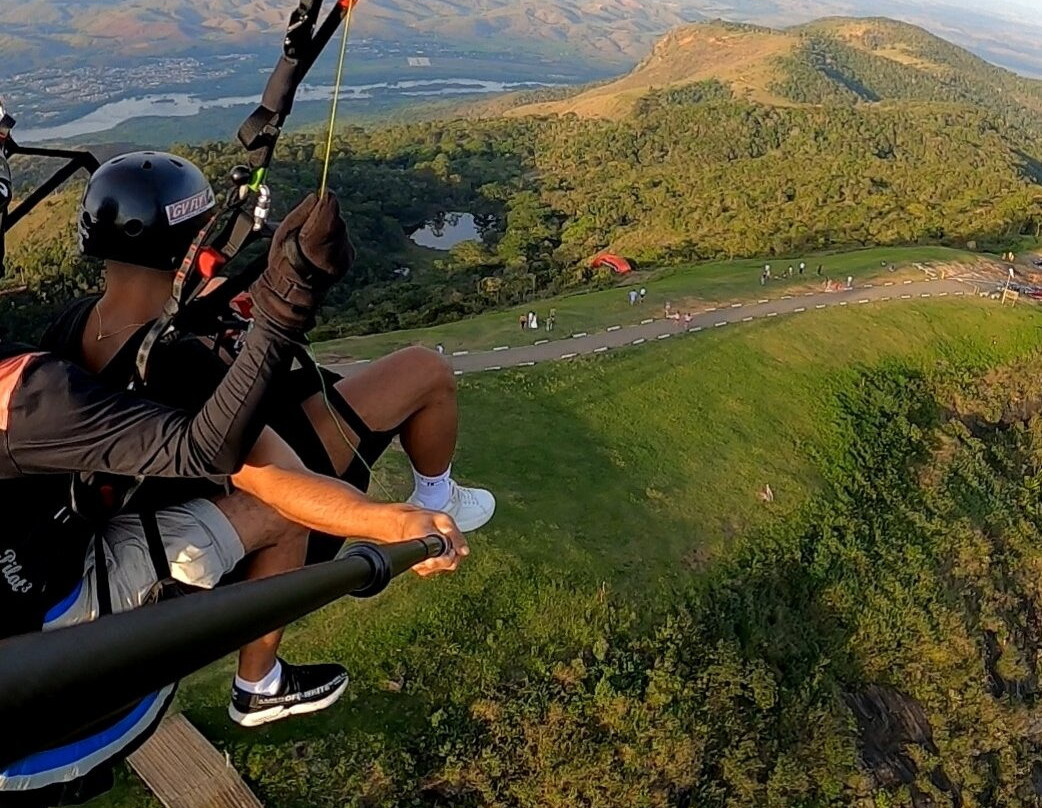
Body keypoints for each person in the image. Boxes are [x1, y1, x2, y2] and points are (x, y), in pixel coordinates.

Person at [0, 170, 360, 795]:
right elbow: (208, 450)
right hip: (51, 603)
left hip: (38, 560)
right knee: (276, 514)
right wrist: (285, 304)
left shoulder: (65, 330)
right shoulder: (32, 393)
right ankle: (260, 681)